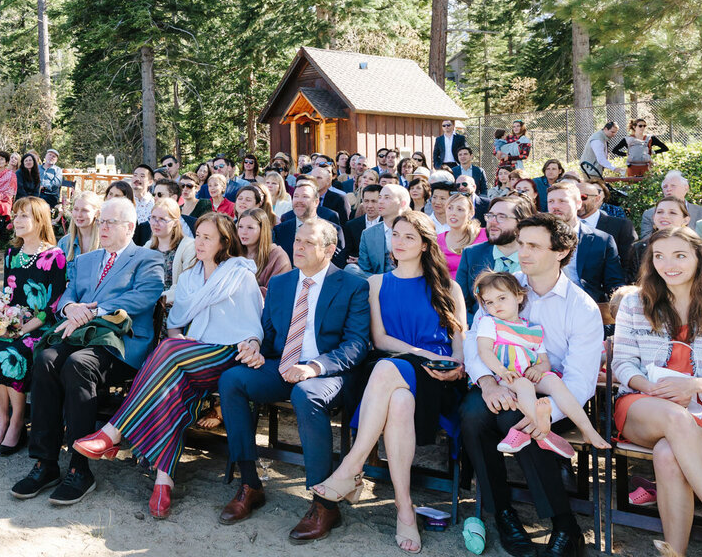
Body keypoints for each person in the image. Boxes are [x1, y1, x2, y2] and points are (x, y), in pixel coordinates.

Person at [73, 213, 262, 518]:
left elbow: (253, 323)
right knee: (172, 387)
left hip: (228, 353)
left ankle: (113, 431)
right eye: (197, 235)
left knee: (169, 350)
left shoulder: (239, 273)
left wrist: (250, 343)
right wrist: (183, 344)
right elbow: (175, 325)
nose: (199, 243)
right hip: (190, 355)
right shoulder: (189, 278)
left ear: (224, 242)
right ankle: (164, 480)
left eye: (207, 238)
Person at [314, 211, 467, 553]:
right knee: (394, 389)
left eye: (409, 237)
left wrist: (455, 367)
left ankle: (352, 468)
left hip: (436, 379)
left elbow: (460, 345)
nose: (399, 242)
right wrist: (418, 352)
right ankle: (404, 508)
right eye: (395, 235)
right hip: (394, 371)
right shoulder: (376, 284)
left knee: (387, 372)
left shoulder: (449, 287)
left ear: (426, 245)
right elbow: (380, 340)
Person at [216, 217, 370, 541]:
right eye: (296, 241)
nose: (297, 247)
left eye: (307, 243)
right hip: (283, 365)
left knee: (305, 394)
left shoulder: (353, 285)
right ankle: (249, 483)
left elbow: (356, 345)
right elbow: (268, 334)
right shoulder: (282, 283)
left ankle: (324, 502)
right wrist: (255, 346)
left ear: (329, 250)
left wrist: (313, 367)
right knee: (232, 380)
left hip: (328, 372)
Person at [460, 213, 604, 557]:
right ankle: (503, 513)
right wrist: (487, 384)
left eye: (534, 246)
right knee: (473, 414)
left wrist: (545, 414)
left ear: (561, 251)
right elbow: (474, 341)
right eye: (521, 243)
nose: (523, 252)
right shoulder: (504, 286)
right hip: (499, 381)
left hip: (555, 396)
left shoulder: (580, 307)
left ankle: (565, 525)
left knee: (518, 421)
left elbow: (580, 380)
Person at [10, 197, 165, 506]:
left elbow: (145, 297)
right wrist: (71, 306)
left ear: (130, 227)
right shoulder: (86, 259)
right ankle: (46, 463)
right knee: (45, 359)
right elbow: (66, 294)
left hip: (121, 343)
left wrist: (94, 311)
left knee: (77, 365)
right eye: (102, 221)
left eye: (111, 222)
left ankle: (80, 469)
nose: (103, 227)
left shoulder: (148, 259)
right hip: (79, 333)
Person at [611, 226, 702, 557]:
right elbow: (623, 365)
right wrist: (650, 387)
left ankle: (674, 553)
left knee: (669, 454)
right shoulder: (634, 304)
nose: (668, 264)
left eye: (680, 255)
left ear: (699, 258)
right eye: (659, 256)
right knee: (675, 418)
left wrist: (695, 385)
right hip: (644, 405)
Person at [474, 271, 610, 457]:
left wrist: (538, 369)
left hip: (528, 373)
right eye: (489, 302)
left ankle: (587, 429)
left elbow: (544, 361)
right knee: (523, 385)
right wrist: (502, 371)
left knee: (555, 382)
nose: (495, 305)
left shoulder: (533, 329)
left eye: (502, 298)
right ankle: (541, 424)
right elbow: (484, 351)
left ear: (519, 296)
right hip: (506, 377)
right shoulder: (489, 323)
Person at [0, 197, 67, 455]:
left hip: (41, 327)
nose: (16, 221)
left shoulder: (55, 256)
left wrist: (20, 330)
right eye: (15, 215)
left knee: (12, 353)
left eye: (23, 216)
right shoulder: (11, 254)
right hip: (13, 323)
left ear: (39, 221)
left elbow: (51, 306)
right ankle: (2, 420)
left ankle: (18, 422)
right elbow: (7, 296)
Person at [546, 182, 624, 302]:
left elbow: (614, 283)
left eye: (562, 201)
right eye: (551, 201)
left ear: (578, 204)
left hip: (587, 304)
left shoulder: (601, 240)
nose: (555, 206)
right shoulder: (537, 238)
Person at [456, 195, 535, 315]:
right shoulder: (472, 254)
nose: (492, 221)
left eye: (501, 217)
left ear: (521, 223)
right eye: (490, 216)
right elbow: (460, 304)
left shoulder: (536, 257)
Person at [573, 176, 636, 274]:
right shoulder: (560, 225)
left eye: (583, 197)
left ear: (597, 199)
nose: (578, 202)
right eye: (573, 198)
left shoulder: (621, 226)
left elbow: (629, 266)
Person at [352, 184, 412, 278]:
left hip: (407, 282)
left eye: (387, 198)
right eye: (380, 197)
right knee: (350, 269)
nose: (380, 202)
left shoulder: (414, 231)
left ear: (402, 204)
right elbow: (365, 269)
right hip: (377, 284)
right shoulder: (368, 234)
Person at [628, 197, 692, 282]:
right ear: (654, 217)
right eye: (659, 212)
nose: (665, 216)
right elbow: (631, 281)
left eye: (672, 213)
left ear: (686, 220)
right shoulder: (639, 249)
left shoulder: (698, 248)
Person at [642, 171, 702, 238]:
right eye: (665, 187)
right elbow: (645, 244)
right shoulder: (649, 214)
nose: (668, 189)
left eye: (673, 186)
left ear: (686, 188)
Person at [147, 198, 196, 294]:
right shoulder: (148, 246)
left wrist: (156, 299)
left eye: (162, 219)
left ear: (175, 223)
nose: (155, 223)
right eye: (153, 217)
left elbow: (186, 286)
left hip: (173, 304)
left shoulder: (189, 247)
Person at [238, 207, 290, 294]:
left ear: (262, 230)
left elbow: (276, 293)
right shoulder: (234, 252)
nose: (243, 232)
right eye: (240, 227)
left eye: (250, 228)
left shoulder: (278, 256)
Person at [439, 192, 487, 278]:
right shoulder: (437, 240)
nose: (453, 213)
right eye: (450, 208)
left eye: (460, 209)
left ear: (471, 213)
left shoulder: (485, 235)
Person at [58, 191, 101, 286]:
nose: (79, 215)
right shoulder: (64, 243)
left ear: (96, 213)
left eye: (84, 210)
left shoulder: (104, 244)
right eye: (76, 209)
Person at [344, 184, 382, 261]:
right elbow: (348, 252)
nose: (369, 205)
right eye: (366, 201)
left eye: (374, 201)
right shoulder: (351, 225)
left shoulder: (390, 224)